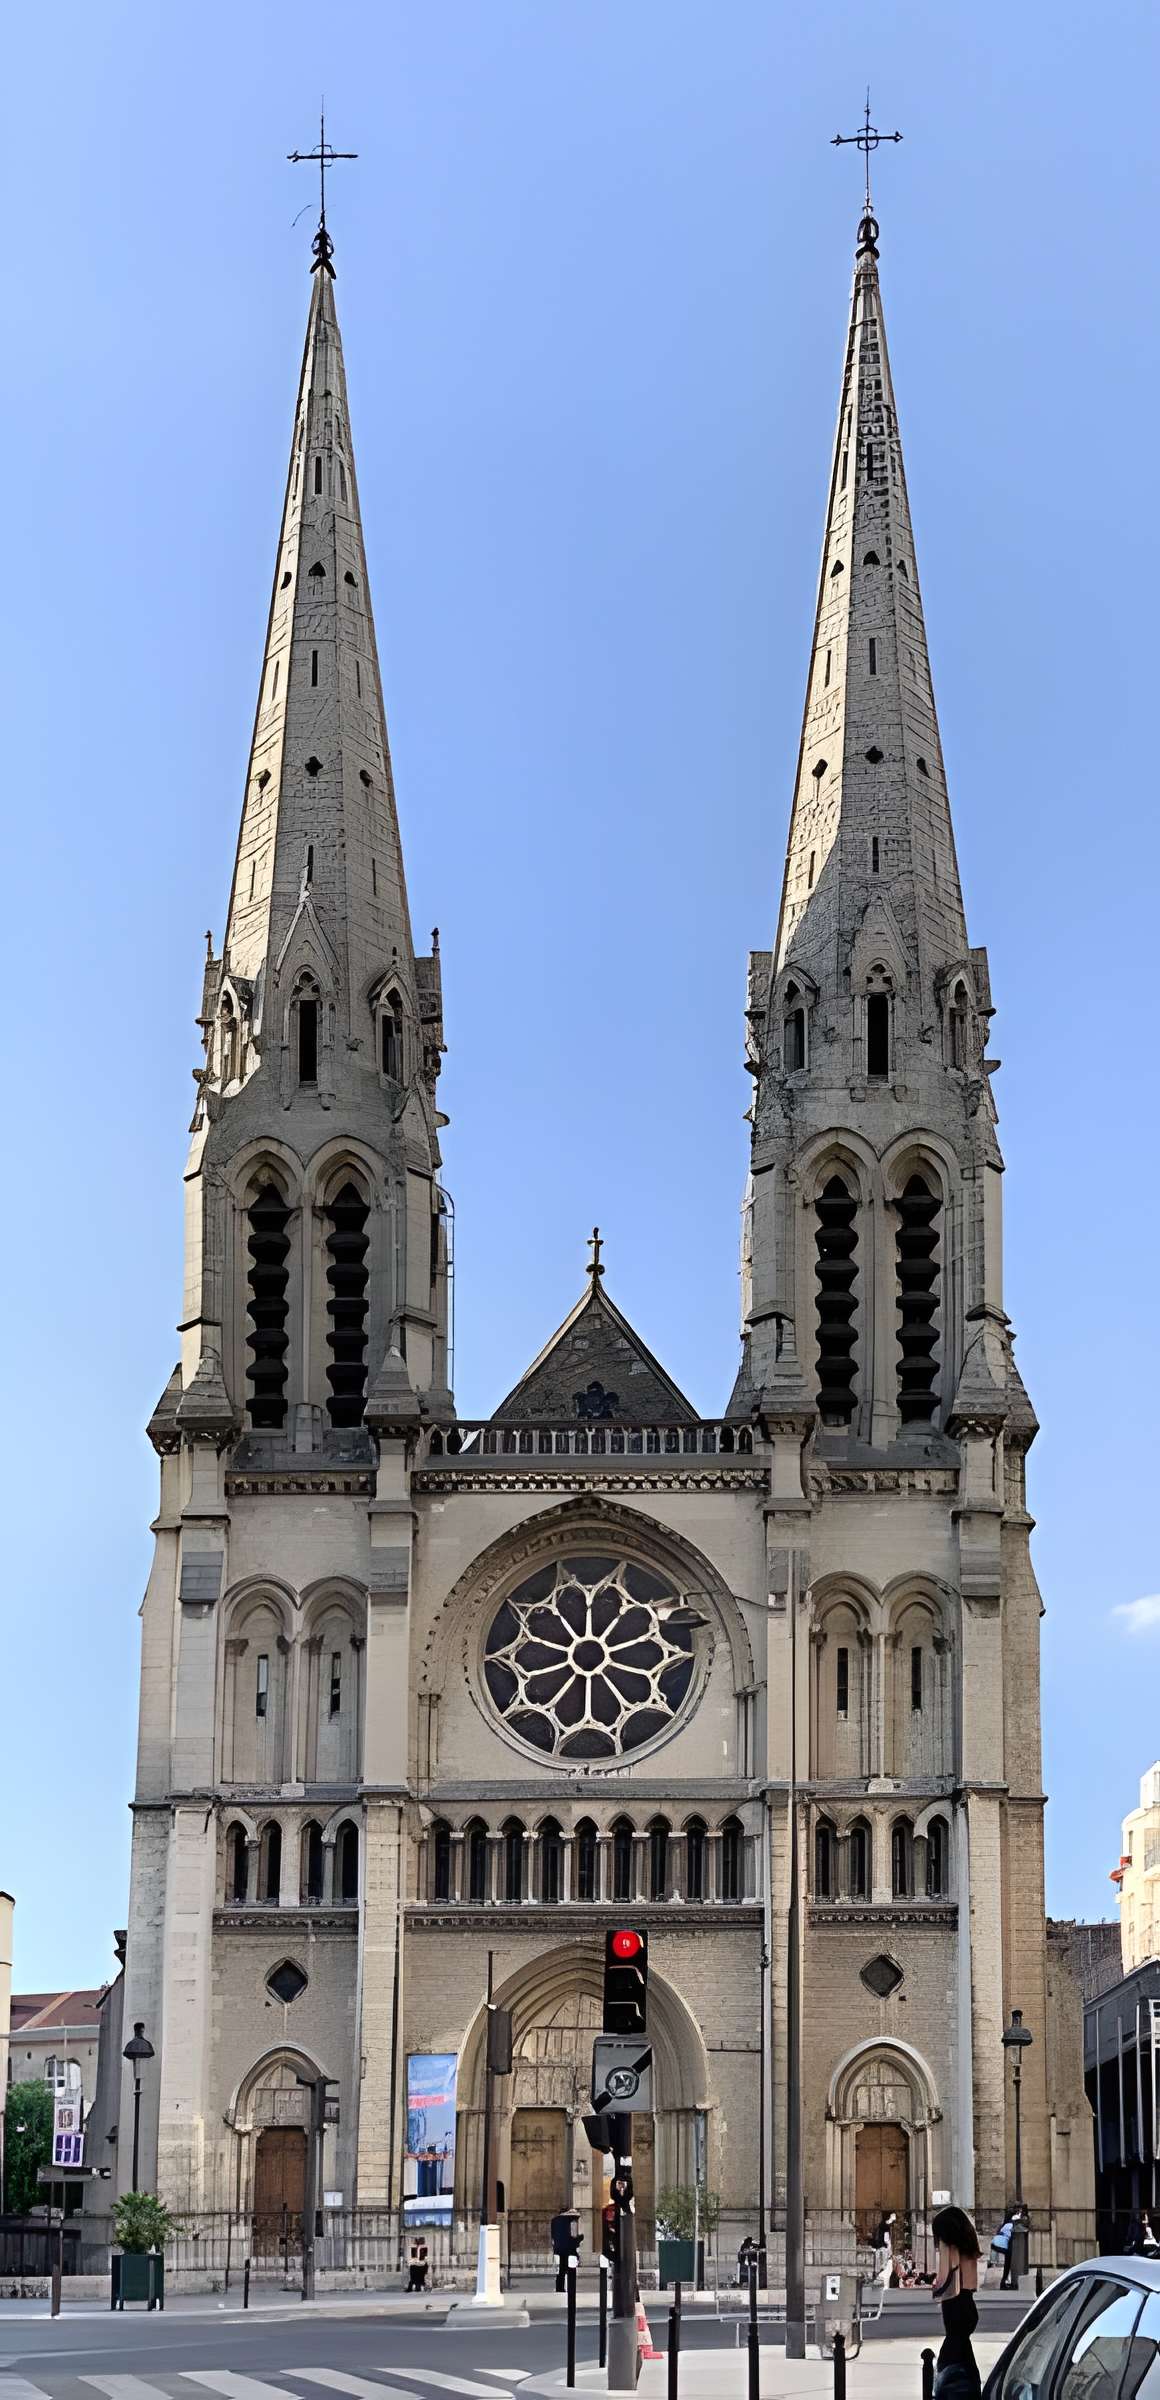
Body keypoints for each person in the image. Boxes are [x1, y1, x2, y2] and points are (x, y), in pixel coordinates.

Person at [930, 2204, 981, 2400]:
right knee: (964, 2358)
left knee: (948, 2363)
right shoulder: (968, 2246)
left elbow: (945, 2278)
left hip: (955, 2306)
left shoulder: (949, 2246)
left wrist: (934, 2288)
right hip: (968, 2305)